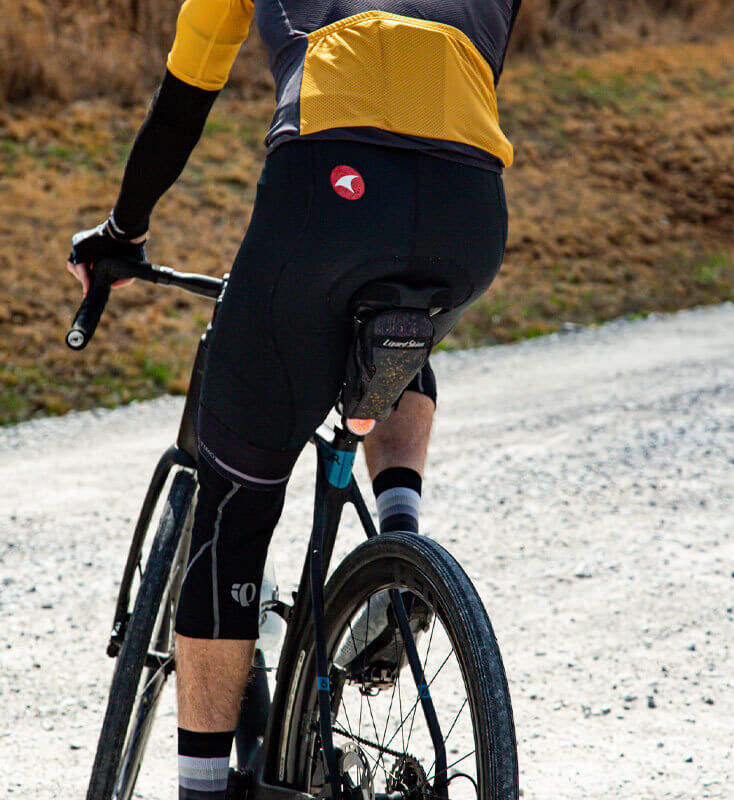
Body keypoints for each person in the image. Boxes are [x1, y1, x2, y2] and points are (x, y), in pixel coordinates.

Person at [65, 1, 518, 796]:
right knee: (400, 314)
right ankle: (398, 551)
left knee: (235, 509)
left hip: (329, 190)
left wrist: (122, 230)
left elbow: (184, 97)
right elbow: (452, 94)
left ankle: (202, 785)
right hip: (470, 209)